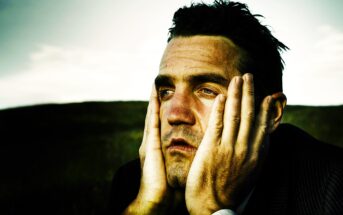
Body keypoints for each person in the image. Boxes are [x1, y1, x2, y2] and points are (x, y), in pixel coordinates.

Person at [108, 1, 343, 214]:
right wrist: (146, 207)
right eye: (166, 92)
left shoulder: (333, 188)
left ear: (271, 113)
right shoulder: (135, 183)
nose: (175, 114)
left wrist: (210, 210)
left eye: (207, 91)